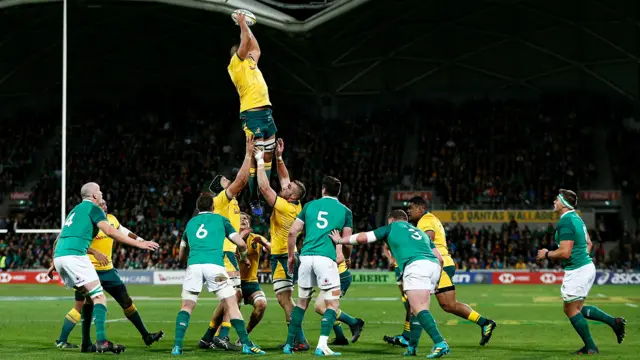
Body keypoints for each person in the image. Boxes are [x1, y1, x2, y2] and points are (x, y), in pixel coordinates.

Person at [48, 182, 159, 354]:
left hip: (62, 257)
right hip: (78, 259)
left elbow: (60, 238)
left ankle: (87, 344)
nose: (101, 195)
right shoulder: (94, 210)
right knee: (99, 298)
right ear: (93, 196)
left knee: (89, 300)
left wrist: (53, 264)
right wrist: (140, 245)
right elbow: (111, 232)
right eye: (99, 192)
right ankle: (102, 342)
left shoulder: (74, 211)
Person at [331, 210, 450, 358]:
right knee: (415, 311)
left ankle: (440, 343)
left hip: (416, 266)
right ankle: (412, 348)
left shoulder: (391, 228)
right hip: (433, 266)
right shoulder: (421, 233)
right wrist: (437, 281)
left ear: (392, 220)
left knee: (419, 309)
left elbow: (364, 237)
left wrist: (340, 240)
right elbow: (440, 258)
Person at [171, 193, 265, 355]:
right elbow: (241, 243)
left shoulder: (191, 223)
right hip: (215, 268)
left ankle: (177, 347)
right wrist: (243, 257)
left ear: (198, 208)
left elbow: (181, 255)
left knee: (186, 307)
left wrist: (191, 261)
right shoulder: (221, 220)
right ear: (213, 207)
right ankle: (246, 344)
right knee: (232, 303)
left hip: (194, 267)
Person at [536, 189, 626, 354]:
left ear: (563, 202)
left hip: (578, 269)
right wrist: (584, 257)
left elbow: (565, 252)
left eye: (557, 199)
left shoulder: (566, 221)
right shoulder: (576, 218)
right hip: (584, 266)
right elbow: (589, 243)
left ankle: (591, 347)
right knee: (576, 308)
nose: (554, 202)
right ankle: (615, 323)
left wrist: (546, 254)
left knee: (570, 309)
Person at [282, 176, 363, 356]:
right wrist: (347, 257)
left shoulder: (309, 206)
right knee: (332, 303)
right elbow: (347, 242)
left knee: (302, 303)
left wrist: (290, 257)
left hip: (305, 258)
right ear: (338, 192)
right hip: (325, 259)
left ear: (323, 190)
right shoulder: (345, 211)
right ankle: (322, 346)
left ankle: (288, 345)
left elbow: (293, 232)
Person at [402, 196, 497, 346]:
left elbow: (428, 237)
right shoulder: (428, 219)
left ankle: (485, 323)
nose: (408, 210)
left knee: (440, 303)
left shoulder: (425, 220)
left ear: (421, 208)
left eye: (411, 207)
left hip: (439, 264)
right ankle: (406, 337)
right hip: (438, 263)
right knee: (429, 302)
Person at [199, 136, 254, 350]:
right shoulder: (221, 199)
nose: (229, 181)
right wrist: (248, 154)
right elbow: (240, 180)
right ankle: (223, 336)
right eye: (225, 180)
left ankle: (208, 336)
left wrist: (242, 255)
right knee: (234, 295)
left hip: (229, 253)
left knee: (227, 297)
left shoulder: (234, 204)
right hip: (223, 254)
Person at [254, 139, 309, 350]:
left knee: (286, 300)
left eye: (288, 188)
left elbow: (263, 186)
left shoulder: (285, 207)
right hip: (284, 255)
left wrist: (260, 160)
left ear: (291, 195)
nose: (284, 186)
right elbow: (284, 177)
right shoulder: (296, 204)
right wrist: (278, 157)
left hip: (283, 256)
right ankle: (298, 339)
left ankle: (300, 339)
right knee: (284, 299)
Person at [228, 10, 276, 210]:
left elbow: (255, 47)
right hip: (252, 115)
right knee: (256, 158)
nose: (249, 53)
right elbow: (246, 43)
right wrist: (242, 24)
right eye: (244, 51)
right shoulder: (235, 65)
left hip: (267, 114)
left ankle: (265, 192)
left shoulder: (251, 63)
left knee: (268, 156)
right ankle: (253, 197)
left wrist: (248, 27)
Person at [313, 243, 364, 346]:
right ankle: (341, 336)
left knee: (322, 307)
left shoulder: (329, 233)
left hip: (340, 278)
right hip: (333, 276)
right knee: (323, 307)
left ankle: (353, 323)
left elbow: (340, 256)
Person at [236, 212, 271, 344]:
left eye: (246, 218)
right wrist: (240, 237)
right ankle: (218, 336)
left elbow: (273, 250)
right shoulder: (230, 238)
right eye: (240, 218)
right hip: (234, 282)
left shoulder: (256, 238)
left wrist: (264, 243)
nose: (244, 220)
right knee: (230, 309)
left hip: (251, 283)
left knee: (261, 305)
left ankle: (244, 336)